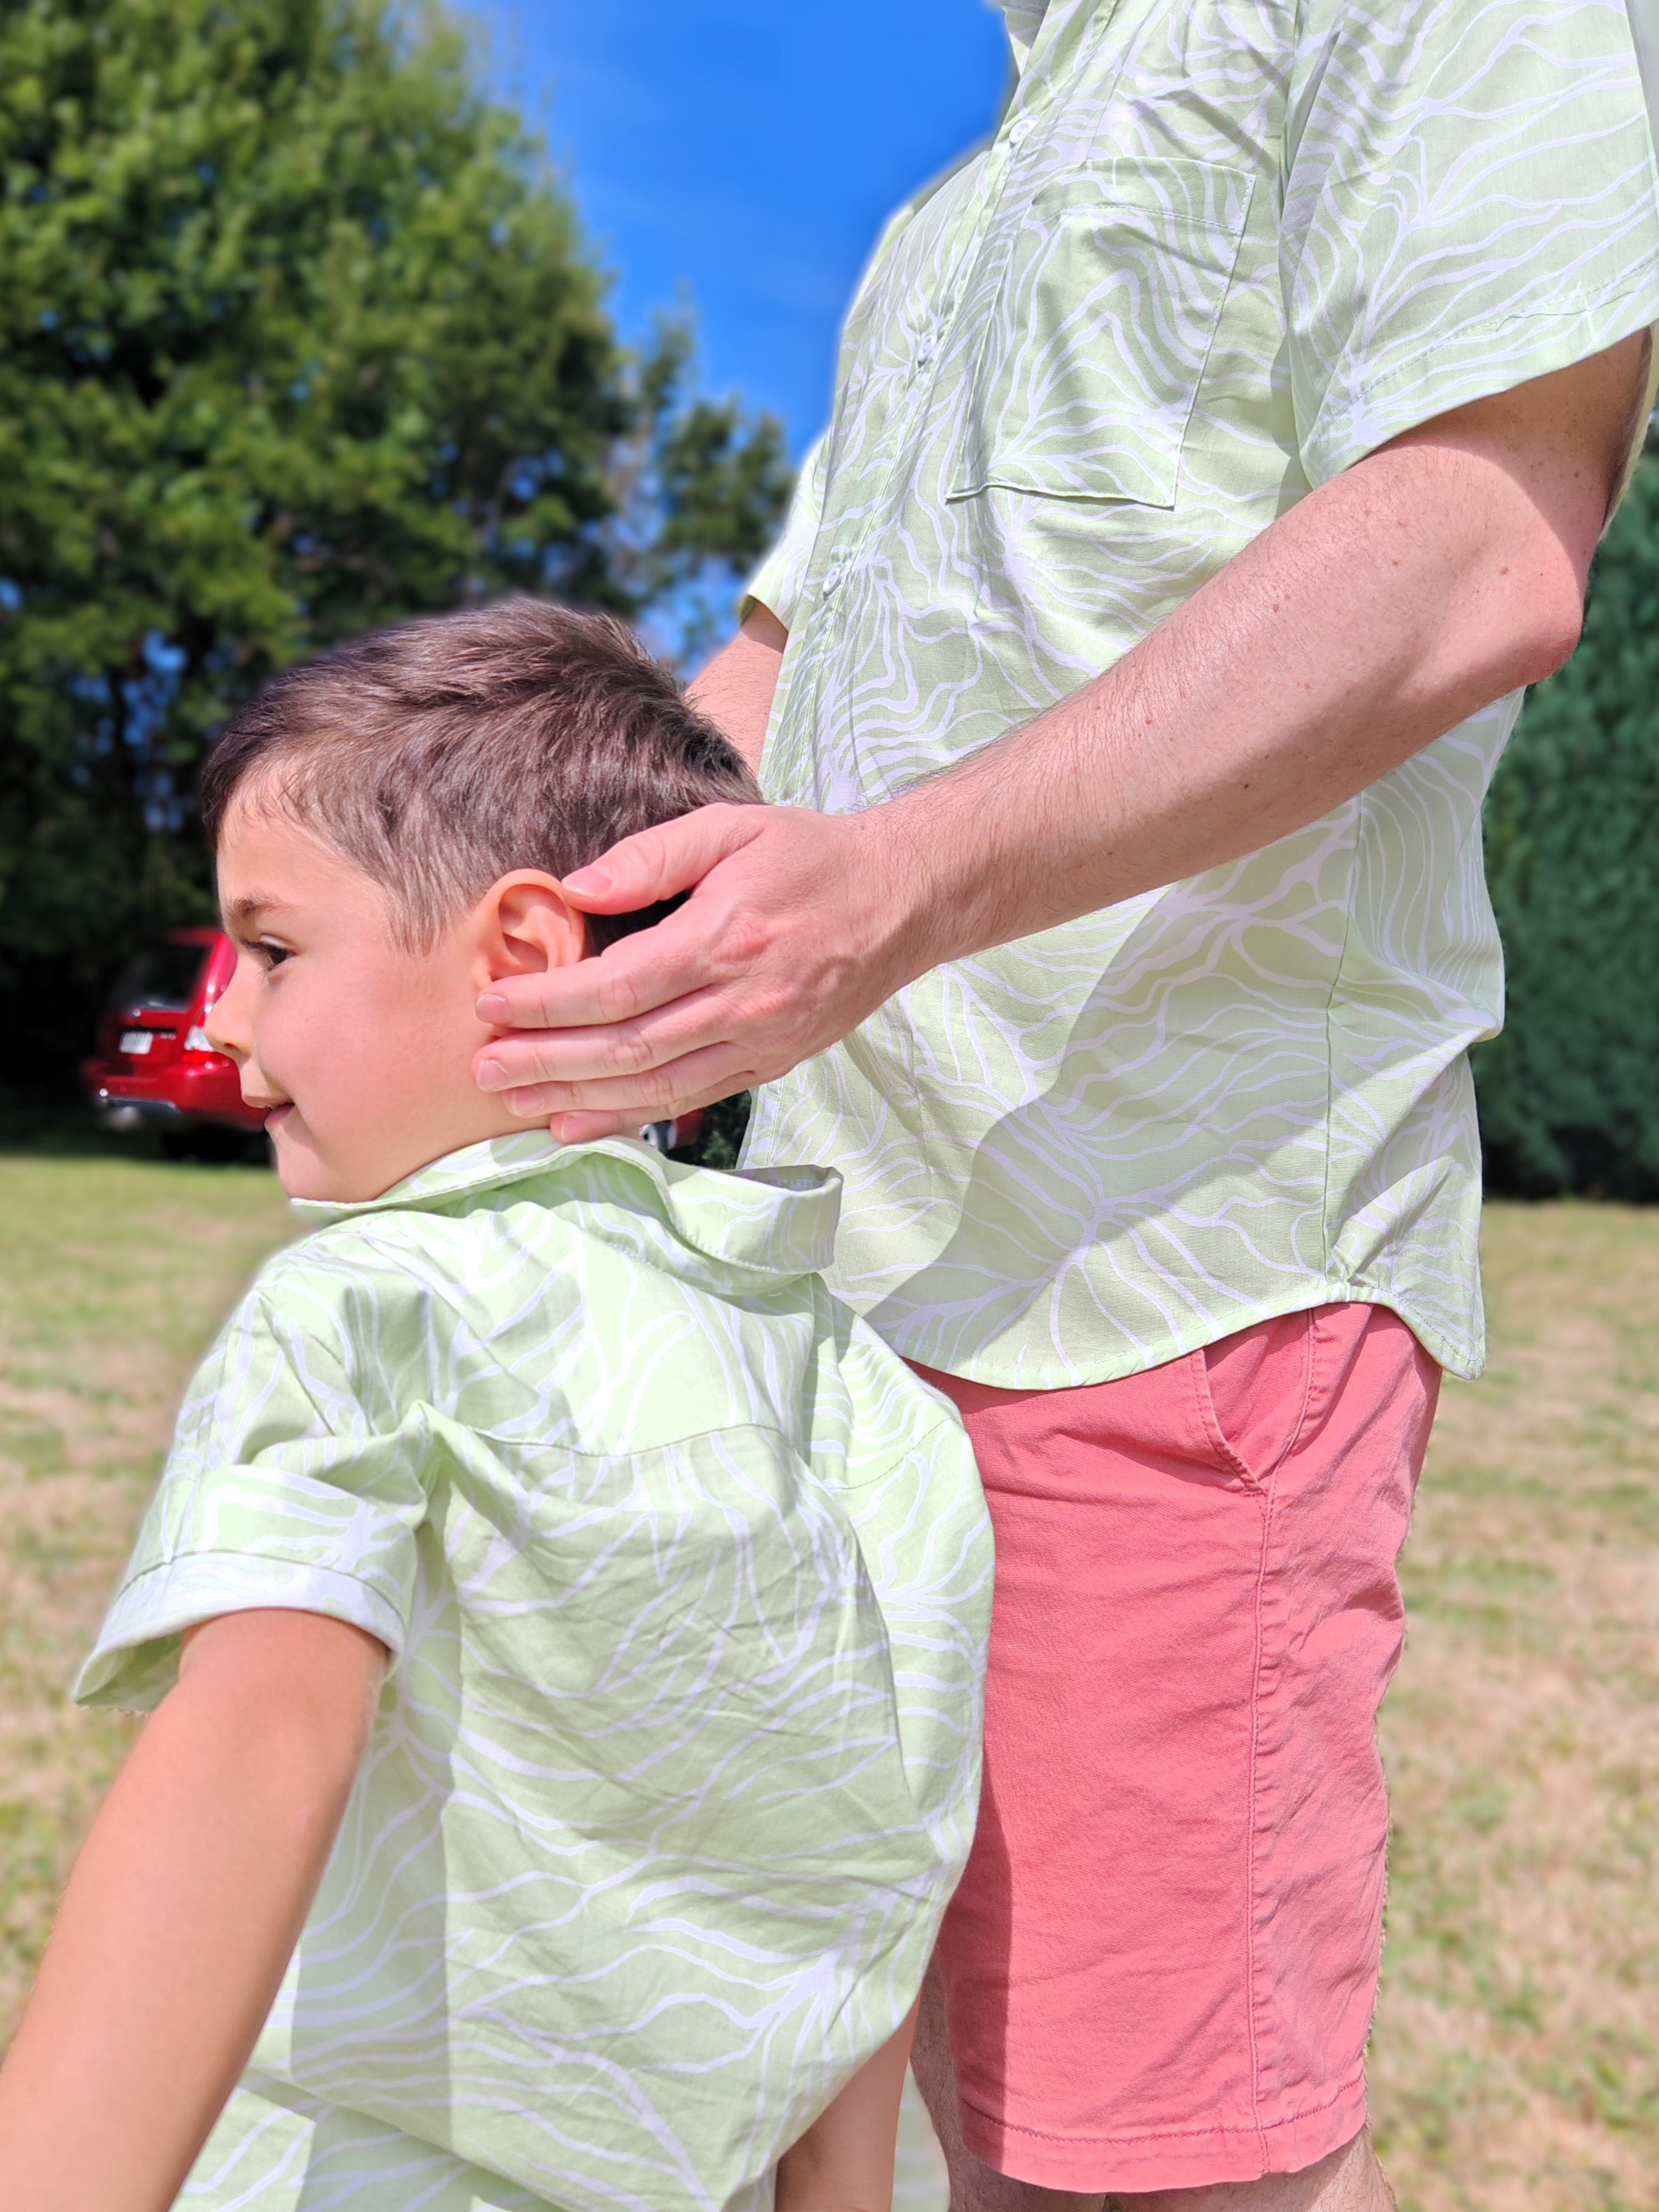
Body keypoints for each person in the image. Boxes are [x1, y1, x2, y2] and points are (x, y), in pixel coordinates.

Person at [465, 5, 1659, 2208]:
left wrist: (903, 882)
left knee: (1116, 2173)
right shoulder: (949, 208)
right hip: (834, 1332)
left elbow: (1484, 531)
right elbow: (757, 701)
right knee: (830, 2126)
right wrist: (419, 912)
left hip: (1158, 1296)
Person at [0, 601, 993, 2212]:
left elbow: (255, 1748)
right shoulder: (884, 1416)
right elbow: (865, 1918)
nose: (225, 1025)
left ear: (523, 960)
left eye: (271, 947)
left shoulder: (368, 1315)